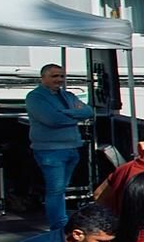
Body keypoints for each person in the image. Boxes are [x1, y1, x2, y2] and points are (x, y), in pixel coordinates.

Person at [25, 62, 93, 231]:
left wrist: (66, 113)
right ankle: (59, 226)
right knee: (55, 191)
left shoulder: (68, 95)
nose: (59, 80)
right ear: (43, 78)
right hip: (50, 151)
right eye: (54, 76)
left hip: (71, 148)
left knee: (61, 190)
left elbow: (88, 111)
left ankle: (60, 224)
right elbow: (52, 120)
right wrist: (74, 115)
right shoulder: (35, 97)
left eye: (62, 76)